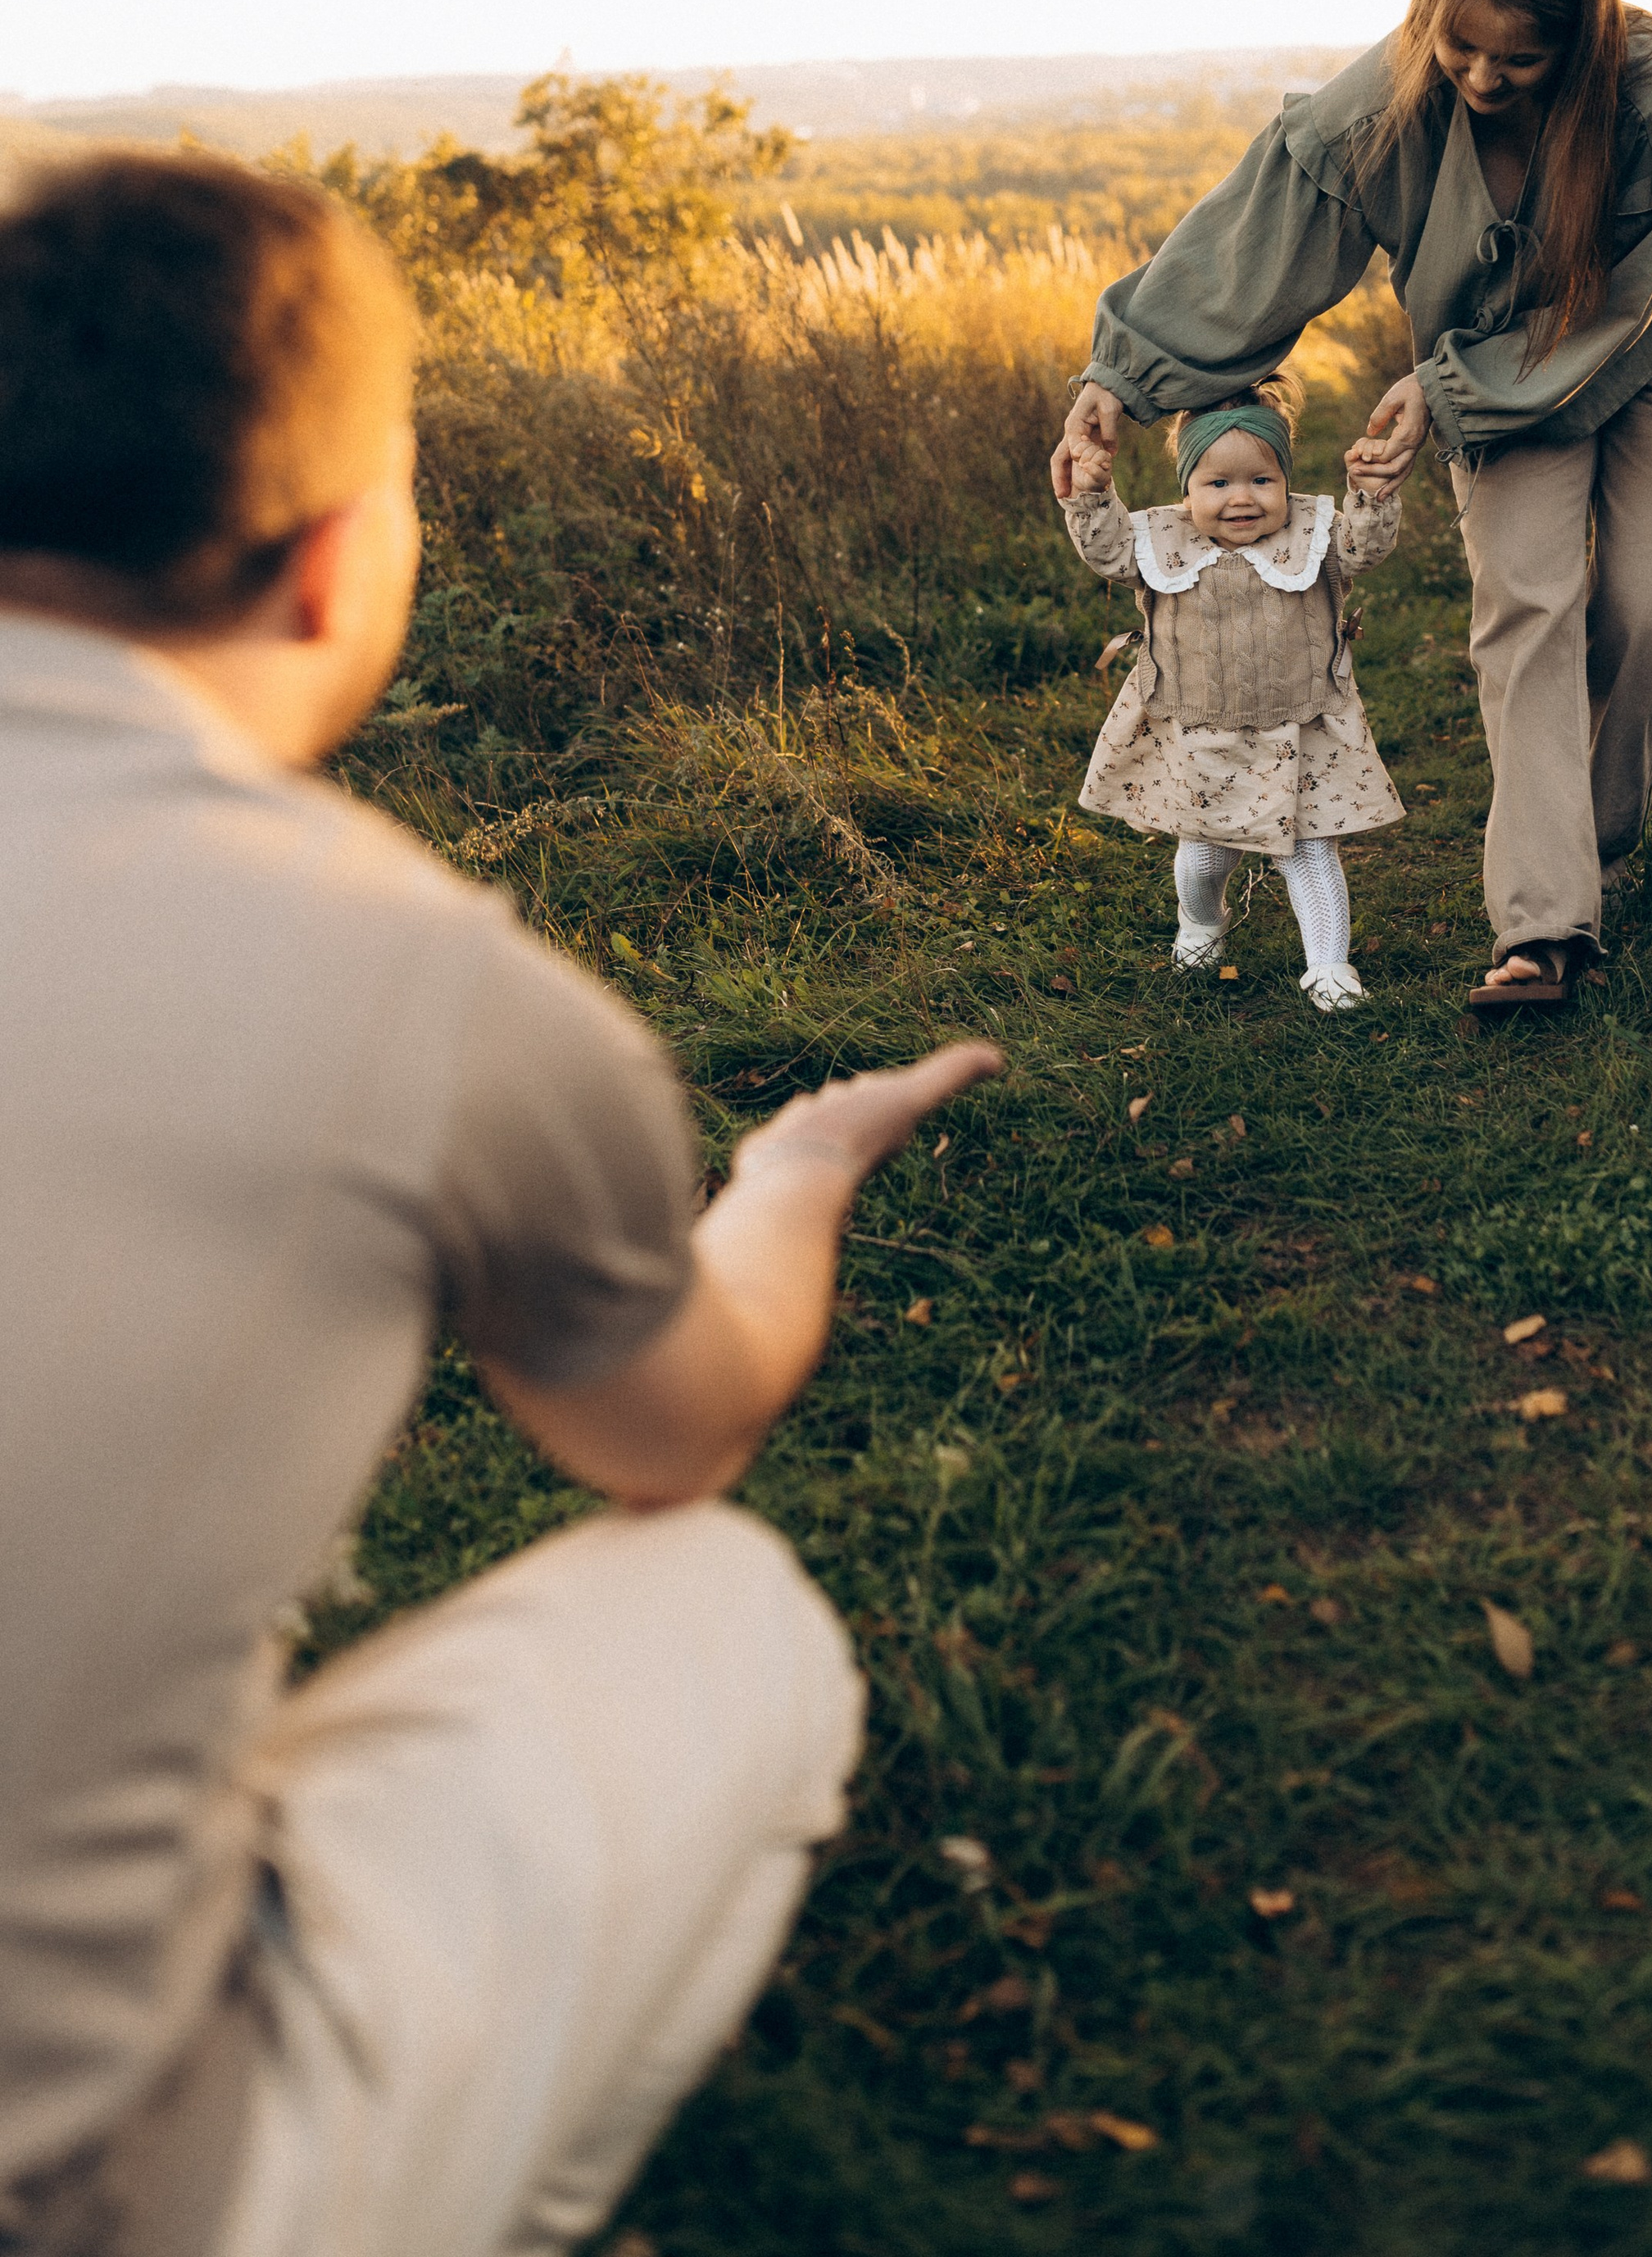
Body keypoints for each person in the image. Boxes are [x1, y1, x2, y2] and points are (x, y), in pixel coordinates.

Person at [0, 152, 999, 2257]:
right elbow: (670, 1424)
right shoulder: (424, 987)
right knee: (719, 1611)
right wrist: (792, 1167)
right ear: (339, 559)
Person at [1059, 0, 1652, 1011]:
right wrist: (1122, 377)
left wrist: (1444, 388)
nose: (1481, 79)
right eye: (1460, 46)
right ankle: (1547, 927)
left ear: (1580, 41)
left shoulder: (1651, 83)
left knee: (1645, 605)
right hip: (1489, 351)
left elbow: (1621, 297)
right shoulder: (1381, 105)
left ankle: (1595, 841)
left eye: (1518, 60)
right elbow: (1255, 242)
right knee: (1529, 599)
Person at [1052, 378, 1404, 1013]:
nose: (1241, 498)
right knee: (1205, 856)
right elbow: (1106, 553)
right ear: (1187, 488)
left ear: (1285, 481)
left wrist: (1371, 497)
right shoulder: (1162, 541)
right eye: (1218, 484)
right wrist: (1092, 492)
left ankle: (1329, 967)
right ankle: (1202, 919)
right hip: (1200, 735)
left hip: (1300, 733)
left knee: (1310, 847)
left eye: (1261, 481)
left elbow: (1364, 547)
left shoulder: (1313, 536)